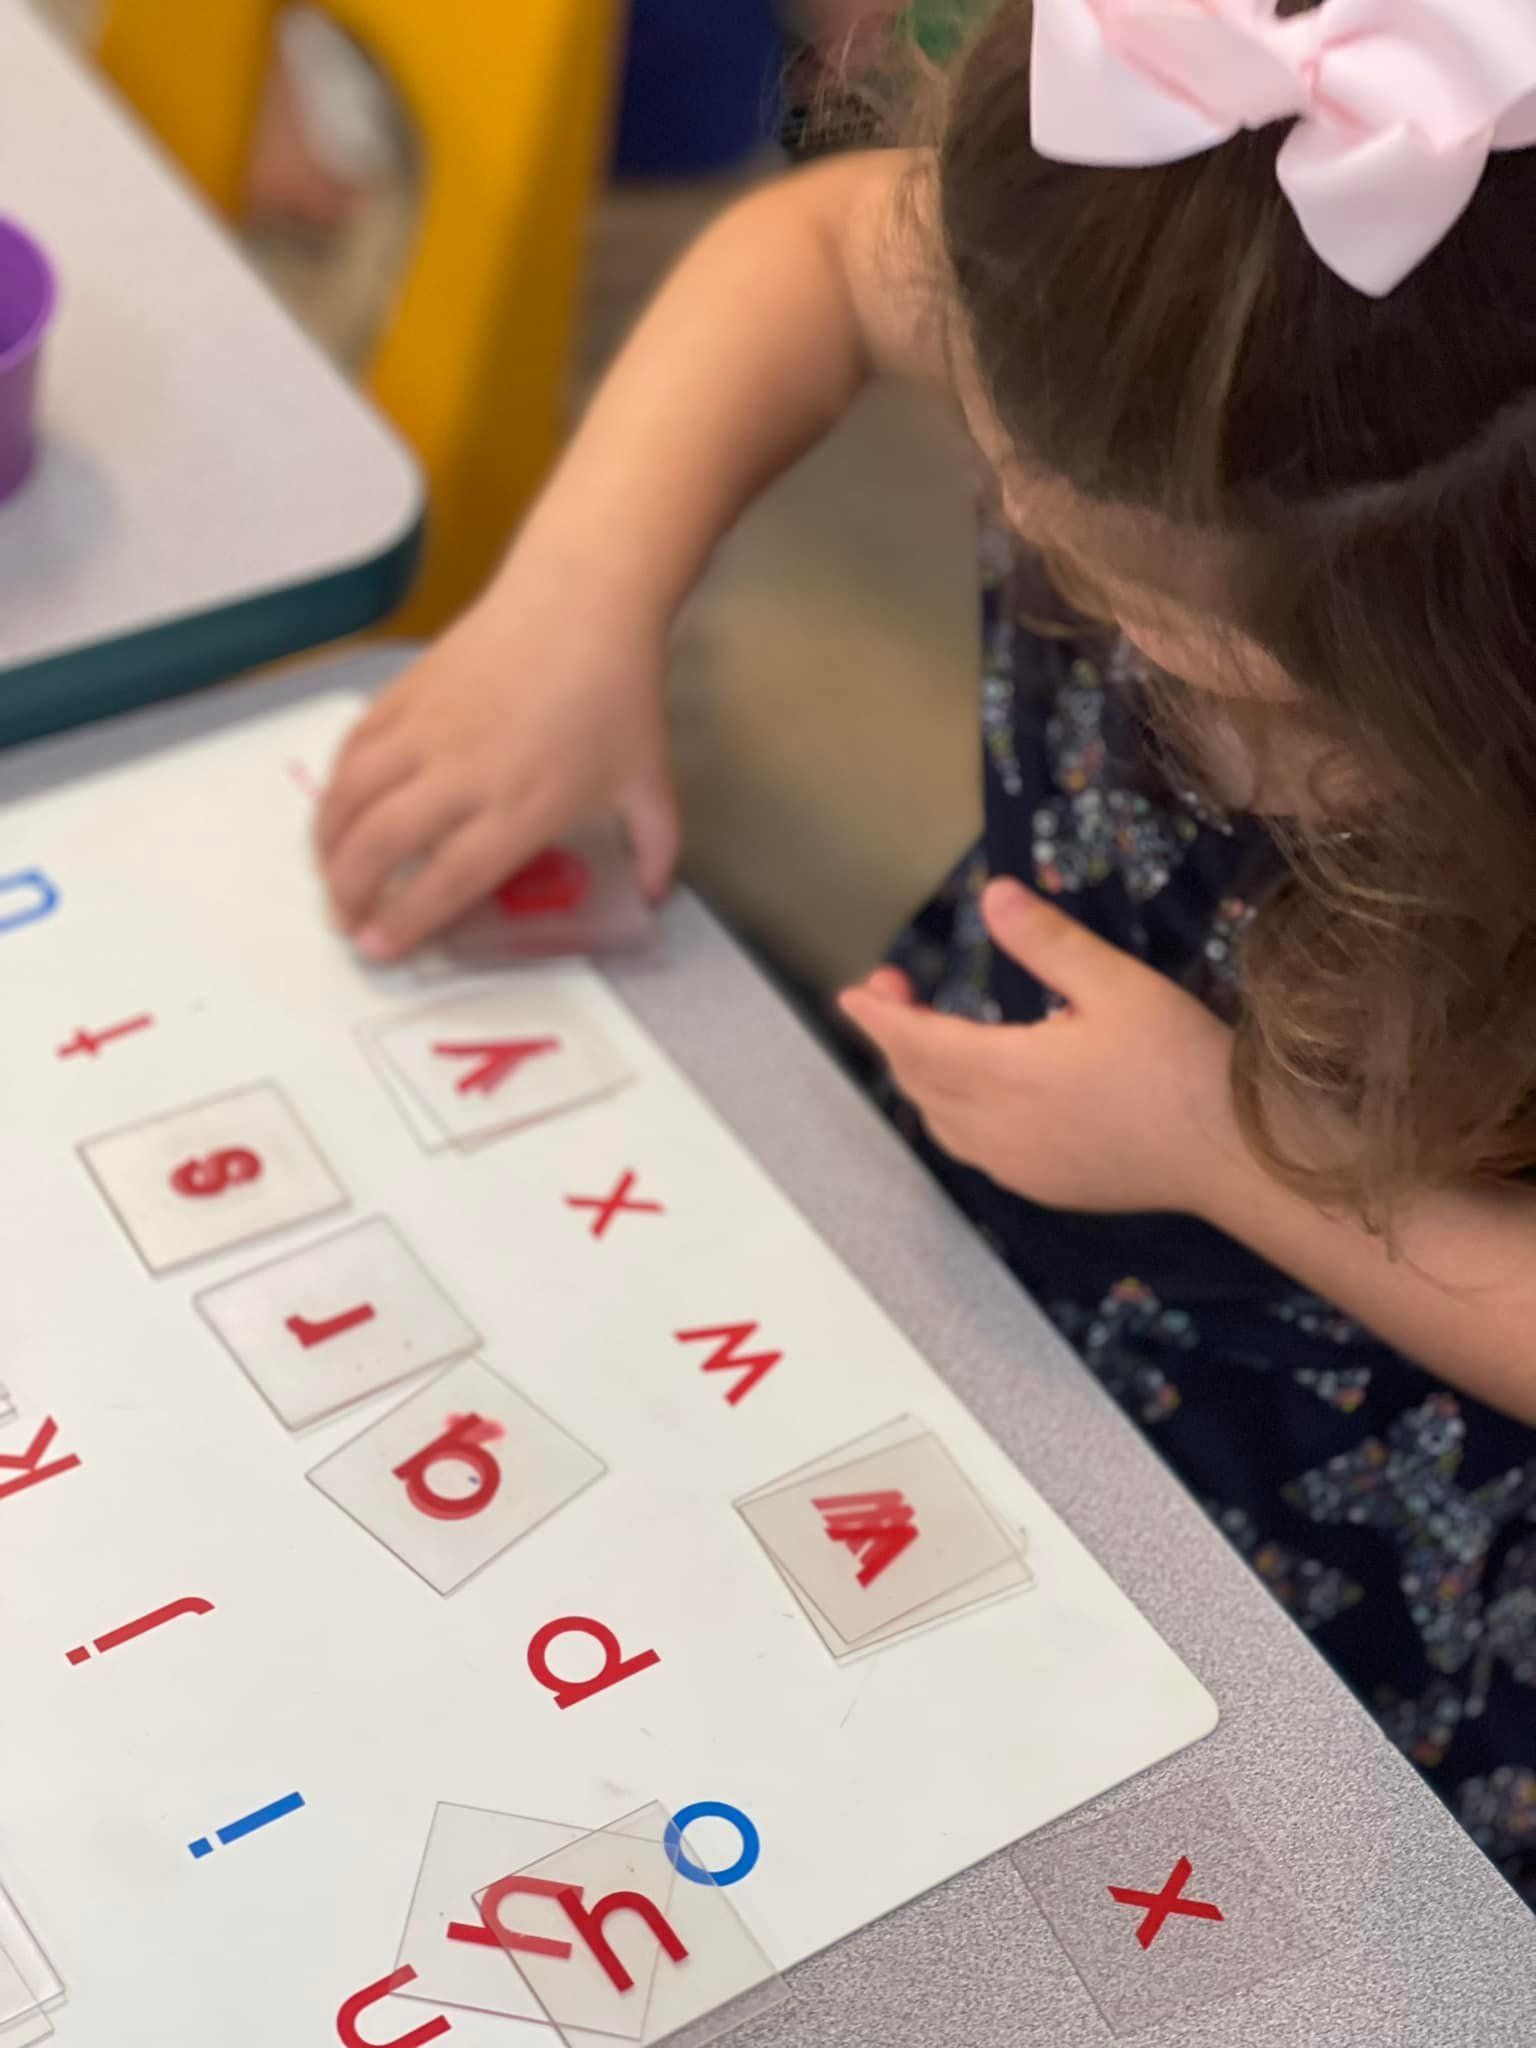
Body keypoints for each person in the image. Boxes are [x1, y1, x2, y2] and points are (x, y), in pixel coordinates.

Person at [316, 0, 1536, 1902]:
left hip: (1358, 1512)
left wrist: (1216, 1148)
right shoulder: (1192, 281)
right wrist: (579, 595)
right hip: (978, 1244)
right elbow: (807, 250)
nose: (1065, 602)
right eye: (1028, 514)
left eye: (1168, 630)